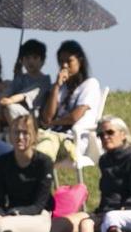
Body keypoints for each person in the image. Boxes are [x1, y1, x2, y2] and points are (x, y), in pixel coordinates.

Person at [38, 40, 103, 169]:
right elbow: (47, 117)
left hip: (72, 139)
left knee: (40, 152)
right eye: (61, 62)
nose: (64, 65)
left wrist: (52, 124)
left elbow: (75, 116)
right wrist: (56, 86)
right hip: (53, 136)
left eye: (69, 61)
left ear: (80, 61)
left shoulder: (89, 84)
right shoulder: (61, 88)